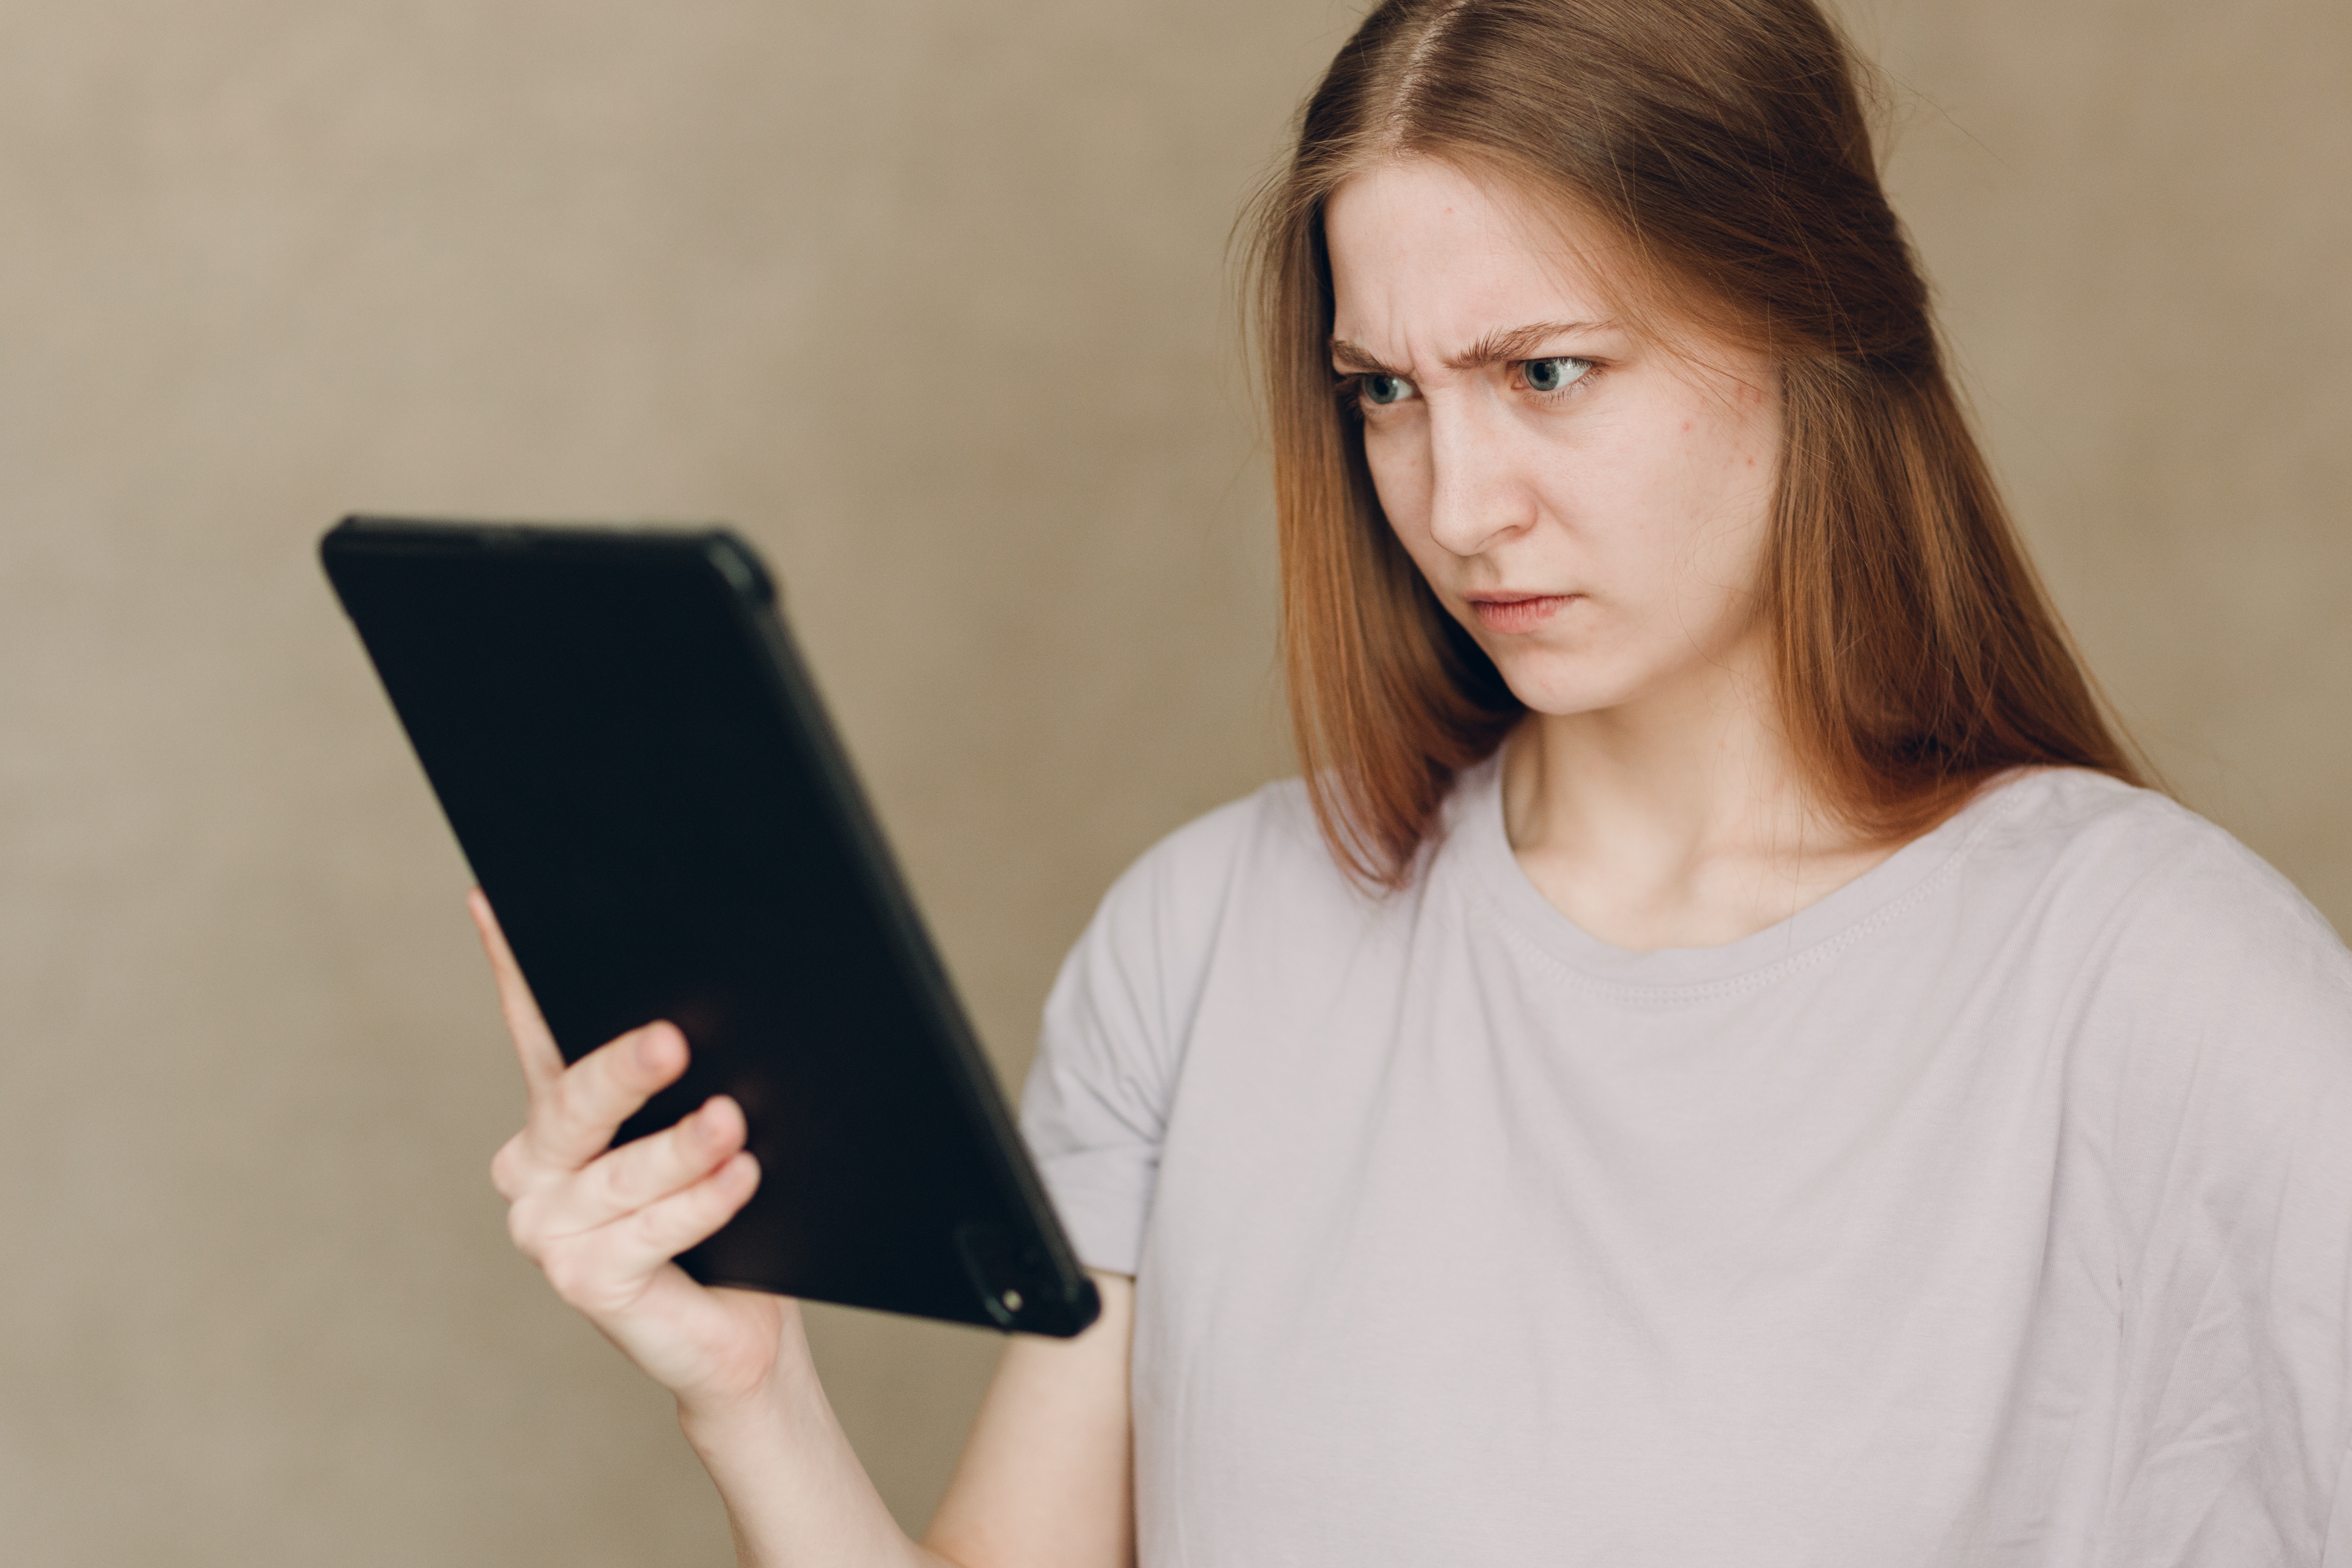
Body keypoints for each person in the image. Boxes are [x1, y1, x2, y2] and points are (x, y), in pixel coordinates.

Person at [476, 0, 2352, 1562]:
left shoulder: (2159, 988)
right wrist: (749, 1396)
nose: (1459, 507)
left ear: (1813, 331)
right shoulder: (1206, 943)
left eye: (1544, 372)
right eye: (1384, 391)